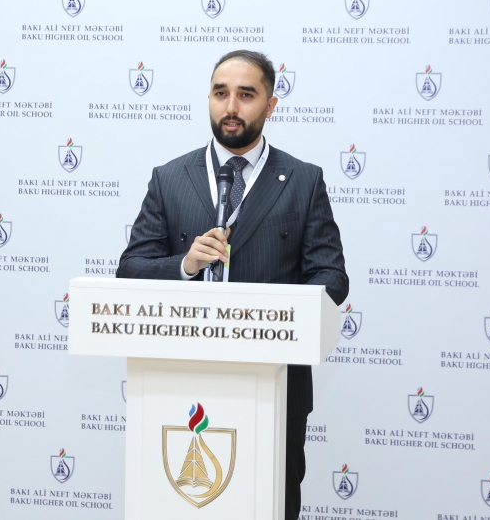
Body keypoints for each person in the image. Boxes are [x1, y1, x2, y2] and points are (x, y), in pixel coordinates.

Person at [118, 49, 349, 519]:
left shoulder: (303, 181)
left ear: (270, 105)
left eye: (246, 95)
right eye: (220, 93)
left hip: (275, 385)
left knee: (271, 502)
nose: (230, 106)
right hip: (181, 383)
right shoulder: (170, 178)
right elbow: (130, 268)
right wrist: (185, 265)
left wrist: (270, 313)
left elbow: (332, 278)